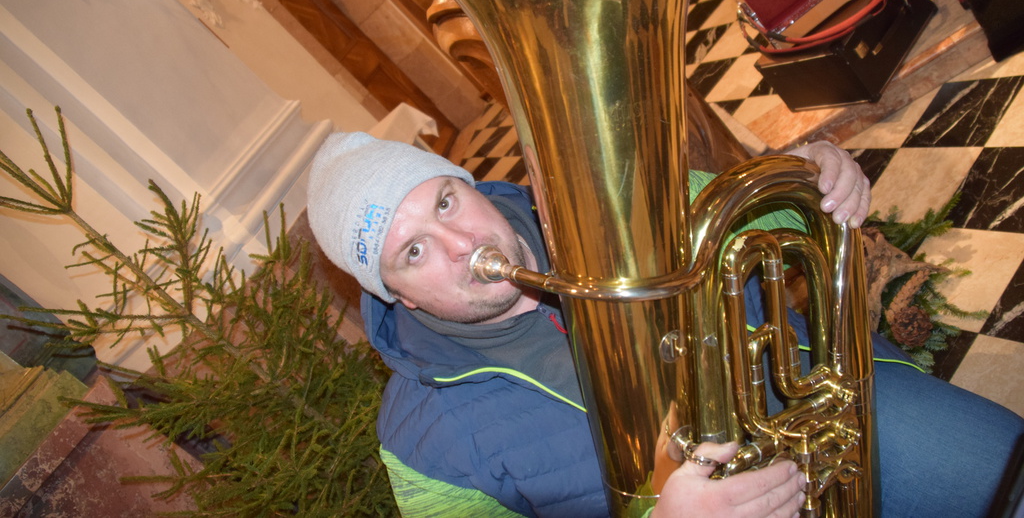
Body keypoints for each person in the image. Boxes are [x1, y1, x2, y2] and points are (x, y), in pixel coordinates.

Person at [307, 132, 1024, 518]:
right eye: (412, 252)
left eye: (444, 202)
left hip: (827, 413)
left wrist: (819, 173)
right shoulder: (420, 444)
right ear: (396, 296)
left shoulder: (613, 207)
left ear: (466, 183)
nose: (464, 245)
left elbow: (780, 207)